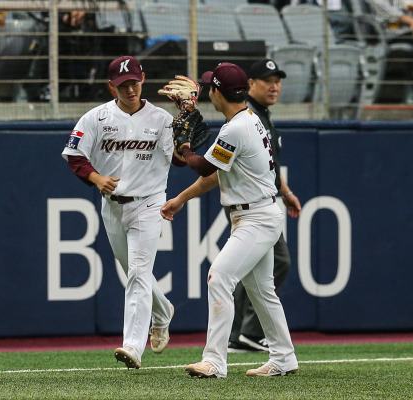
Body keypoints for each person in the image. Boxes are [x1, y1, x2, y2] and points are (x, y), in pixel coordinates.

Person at [161, 62, 299, 378]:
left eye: (212, 86)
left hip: (256, 217)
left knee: (219, 277)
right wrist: (181, 198)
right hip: (257, 213)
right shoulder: (246, 121)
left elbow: (203, 167)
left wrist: (184, 143)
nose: (209, 91)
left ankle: (214, 361)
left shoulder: (237, 127)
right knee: (262, 290)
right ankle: (284, 358)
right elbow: (215, 174)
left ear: (218, 92)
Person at [61, 55, 175, 369]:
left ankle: (132, 347)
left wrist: (187, 122)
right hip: (112, 206)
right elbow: (74, 154)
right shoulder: (96, 118)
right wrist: (96, 178)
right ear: (111, 85)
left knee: (138, 273)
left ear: (143, 80)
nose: (130, 89)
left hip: (149, 203)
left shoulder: (162, 119)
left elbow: (180, 159)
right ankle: (163, 311)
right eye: (123, 85)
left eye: (134, 83)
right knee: (135, 273)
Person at [227, 59, 301, 354]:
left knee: (252, 267)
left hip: (258, 198)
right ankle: (249, 331)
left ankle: (239, 335)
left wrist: (286, 191)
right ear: (250, 84)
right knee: (277, 260)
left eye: (278, 80)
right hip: (251, 203)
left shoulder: (261, 115)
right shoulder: (246, 116)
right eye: (267, 80)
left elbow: (268, 165)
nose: (274, 86)